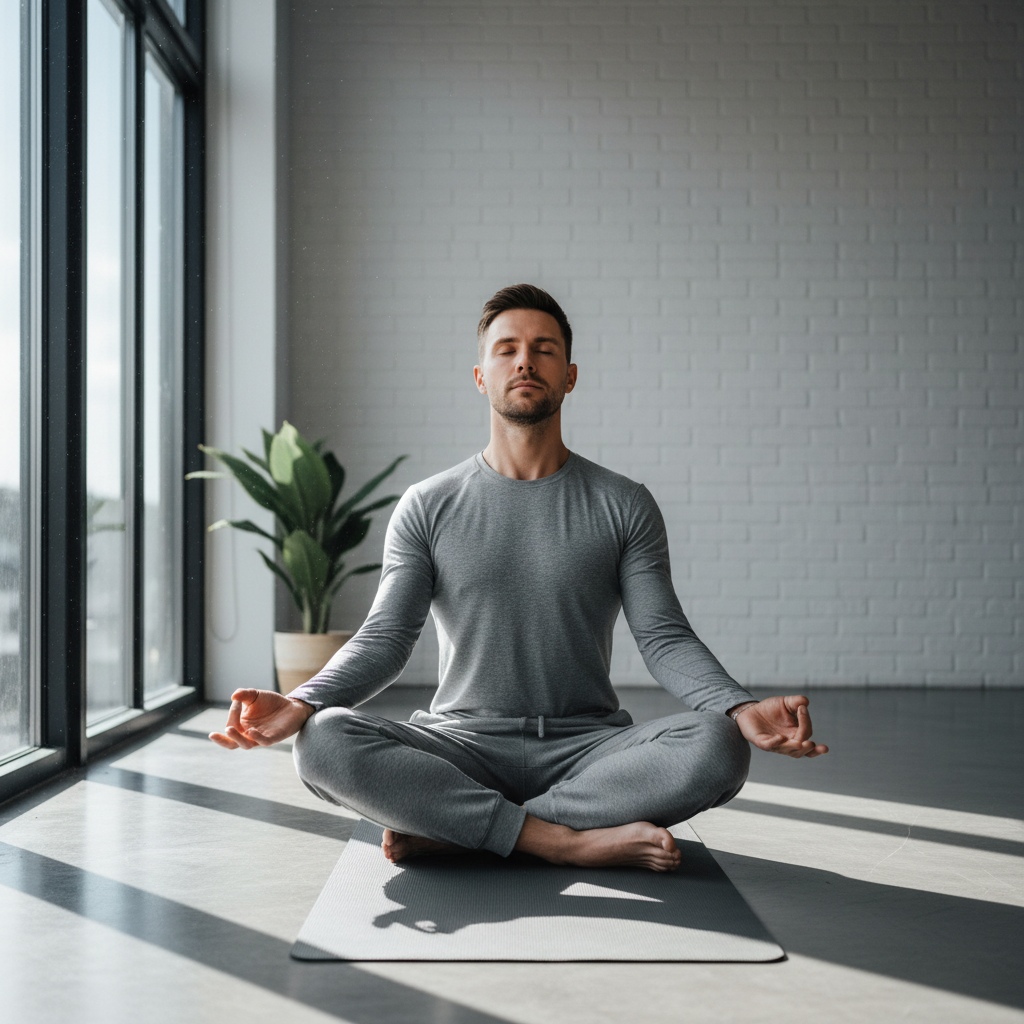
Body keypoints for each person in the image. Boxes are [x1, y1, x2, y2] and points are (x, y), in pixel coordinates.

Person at [211, 284, 828, 873]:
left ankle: (465, 830)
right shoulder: (427, 505)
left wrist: (738, 706)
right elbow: (387, 638)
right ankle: (558, 841)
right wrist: (303, 701)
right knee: (322, 739)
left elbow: (664, 637)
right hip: (460, 747)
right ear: (482, 376)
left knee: (719, 744)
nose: (525, 361)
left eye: (544, 349)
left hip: (588, 751)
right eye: (506, 349)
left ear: (570, 376)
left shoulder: (625, 503)